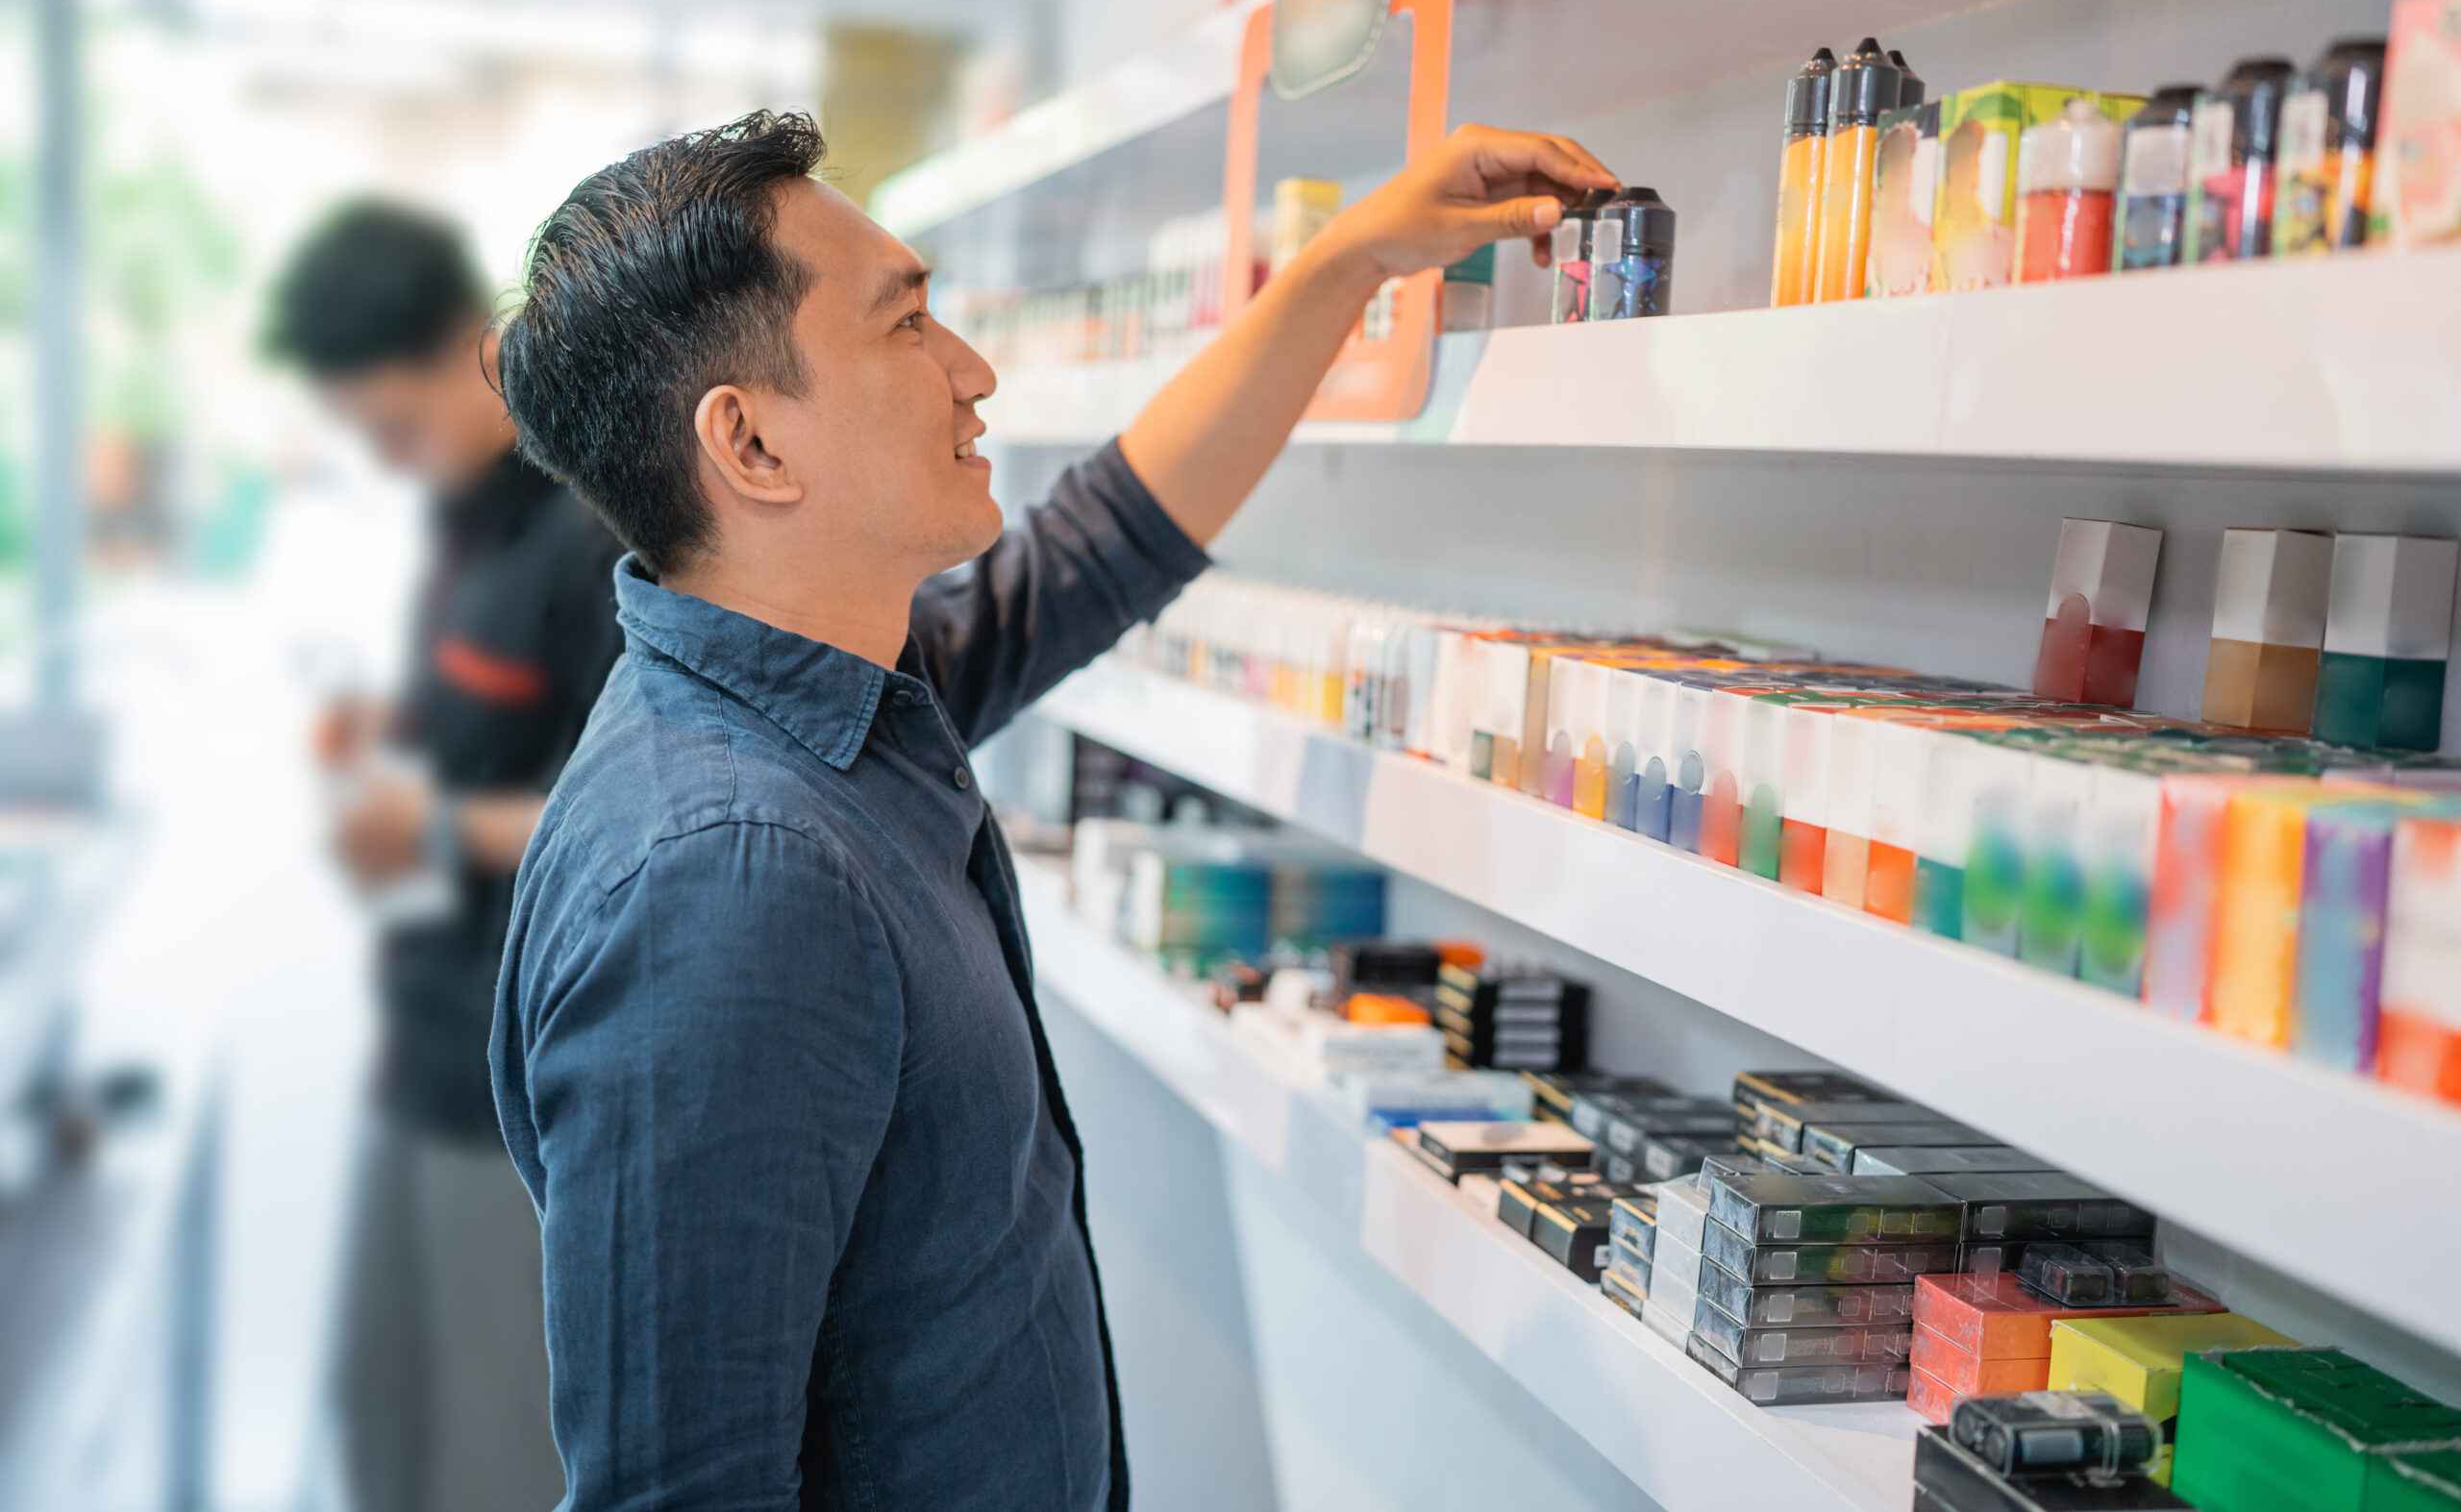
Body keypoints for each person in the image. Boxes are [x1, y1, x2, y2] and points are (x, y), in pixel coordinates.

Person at [491, 111, 1612, 1510]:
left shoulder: (847, 698)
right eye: (907, 328)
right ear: (754, 443)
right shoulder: (730, 879)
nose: (974, 372)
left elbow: (1100, 545)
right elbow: (680, 1492)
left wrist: (1353, 259)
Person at [265, 200, 622, 1512]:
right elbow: (487, 739)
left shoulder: (596, 533)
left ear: (474, 348)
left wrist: (425, 824)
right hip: (418, 1056)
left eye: (399, 429)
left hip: (517, 1097)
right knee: (380, 1425)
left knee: (490, 1464)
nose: (392, 461)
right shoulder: (459, 524)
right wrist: (394, 741)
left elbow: (621, 823)